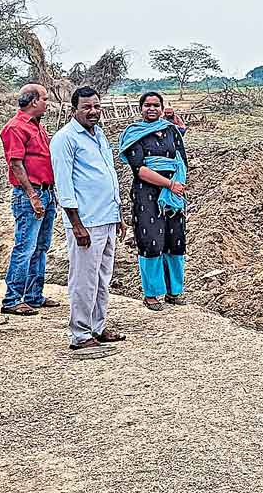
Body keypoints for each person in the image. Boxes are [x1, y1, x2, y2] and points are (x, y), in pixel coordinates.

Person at [50, 86, 127, 351]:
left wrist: (118, 215)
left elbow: (109, 176)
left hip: (106, 217)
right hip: (85, 222)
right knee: (84, 278)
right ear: (75, 110)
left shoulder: (99, 135)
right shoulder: (65, 139)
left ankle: (98, 326)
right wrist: (76, 224)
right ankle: (80, 334)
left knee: (103, 276)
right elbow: (64, 184)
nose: (93, 111)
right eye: (87, 107)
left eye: (96, 106)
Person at [117, 92, 189, 310]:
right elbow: (140, 169)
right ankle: (151, 294)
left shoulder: (170, 130)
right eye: (147, 105)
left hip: (173, 195)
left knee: (175, 241)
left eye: (156, 105)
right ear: (140, 109)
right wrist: (169, 185)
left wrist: (177, 184)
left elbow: (180, 158)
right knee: (151, 242)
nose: (151, 109)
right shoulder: (134, 134)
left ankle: (174, 291)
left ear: (162, 107)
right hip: (147, 194)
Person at [0, 83, 57, 319]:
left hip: (45, 191)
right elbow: (15, 163)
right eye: (44, 99)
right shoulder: (15, 128)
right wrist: (32, 195)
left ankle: (34, 295)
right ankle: (12, 298)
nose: (46, 103)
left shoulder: (37, 127)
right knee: (25, 246)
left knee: (40, 246)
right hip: (30, 193)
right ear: (33, 101)